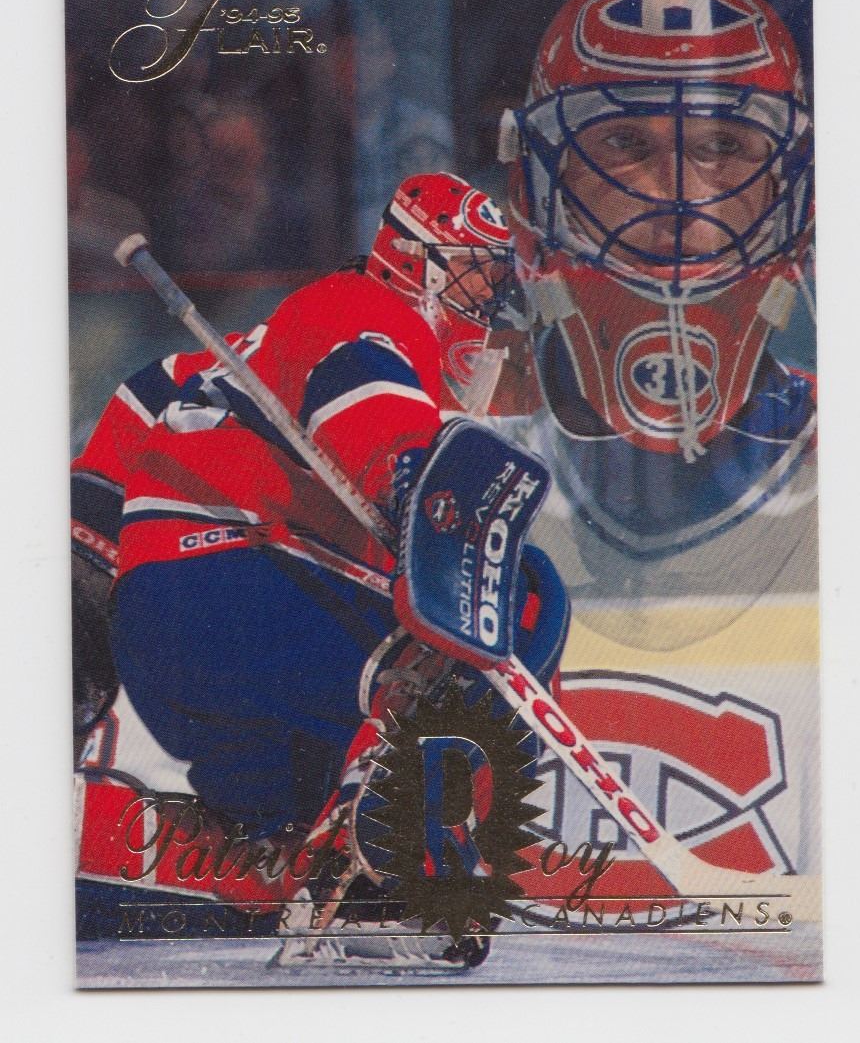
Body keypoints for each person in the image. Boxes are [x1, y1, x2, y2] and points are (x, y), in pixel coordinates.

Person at [72, 173, 569, 949]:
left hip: (177, 645)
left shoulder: (230, 358)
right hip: (248, 596)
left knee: (276, 857)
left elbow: (122, 439)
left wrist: (79, 639)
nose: (490, 299)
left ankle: (289, 861)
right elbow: (369, 402)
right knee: (527, 592)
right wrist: (413, 479)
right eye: (475, 273)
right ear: (413, 261)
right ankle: (396, 852)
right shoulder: (368, 308)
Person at [495, 0, 817, 651]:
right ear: (538, 186)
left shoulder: (845, 455)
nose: (677, 194)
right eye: (624, 144)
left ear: (788, 188)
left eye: (723, 146)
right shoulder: (461, 442)